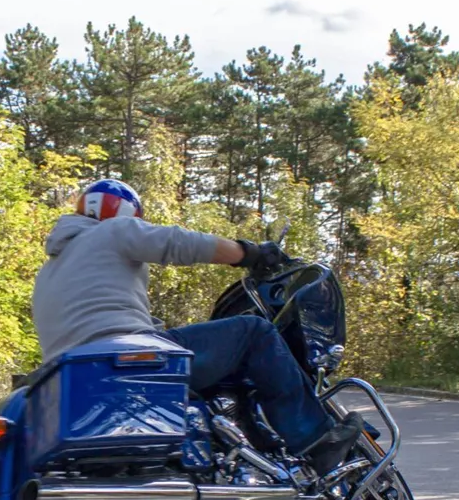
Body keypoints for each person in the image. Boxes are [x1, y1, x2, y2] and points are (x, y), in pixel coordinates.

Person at [30, 178, 363, 475]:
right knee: (253, 332)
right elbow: (179, 243)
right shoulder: (113, 231)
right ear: (127, 214)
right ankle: (315, 440)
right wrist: (250, 254)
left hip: (76, 376)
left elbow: (99, 317)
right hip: (129, 354)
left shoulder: (47, 273)